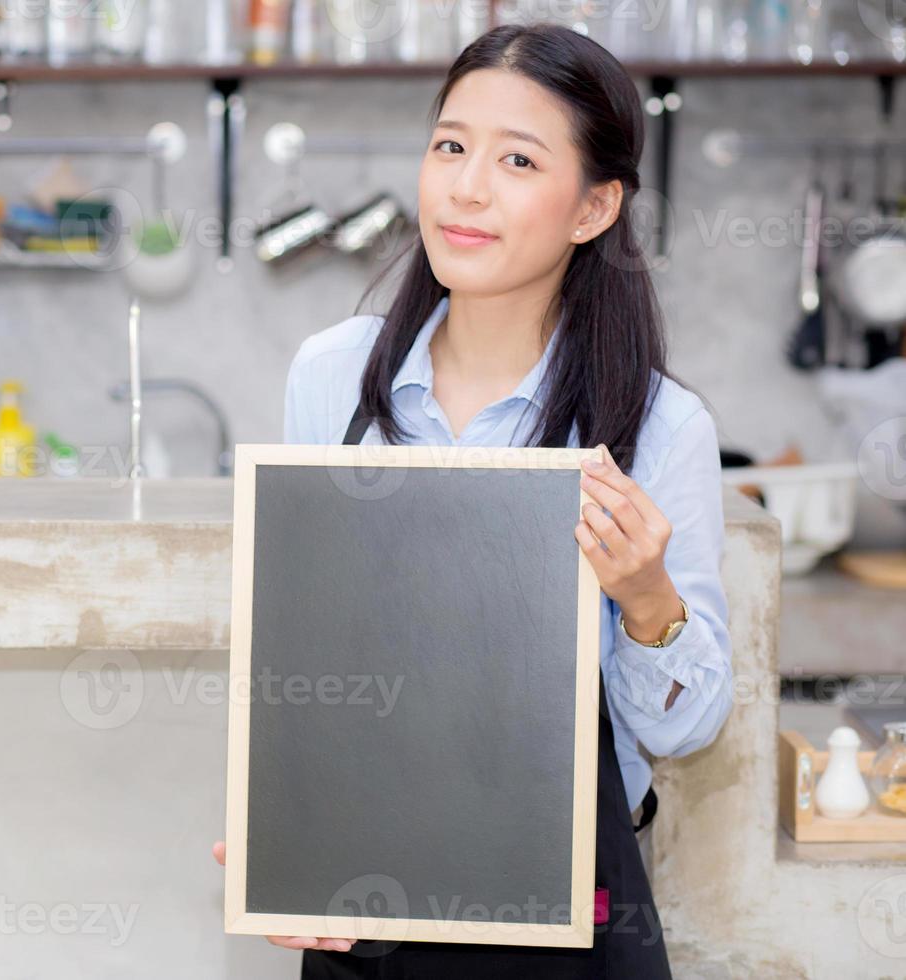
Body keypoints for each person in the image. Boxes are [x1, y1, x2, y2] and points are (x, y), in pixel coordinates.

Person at [213, 22, 734, 979]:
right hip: (362, 913)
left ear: (594, 208)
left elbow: (682, 732)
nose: (466, 187)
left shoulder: (659, 427)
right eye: (450, 145)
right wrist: (282, 845)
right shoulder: (331, 379)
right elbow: (310, 668)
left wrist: (649, 598)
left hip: (565, 925)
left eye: (518, 160)